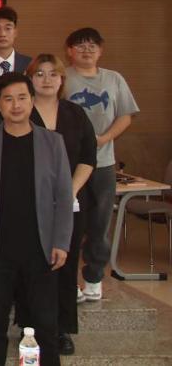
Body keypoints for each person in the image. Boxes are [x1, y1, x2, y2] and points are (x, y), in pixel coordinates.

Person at [0, 72, 73, 366]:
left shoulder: (52, 142)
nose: (16, 105)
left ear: (32, 100)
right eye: (8, 99)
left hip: (41, 248)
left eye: (22, 98)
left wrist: (61, 242)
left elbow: (64, 197)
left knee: (46, 325)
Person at [63, 27, 139, 303]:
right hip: (70, 163)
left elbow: (126, 115)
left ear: (100, 50)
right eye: (80, 45)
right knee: (69, 224)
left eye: (92, 45)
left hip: (104, 164)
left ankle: (94, 278)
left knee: (100, 223)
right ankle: (68, 281)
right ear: (69, 51)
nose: (86, 50)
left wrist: (104, 138)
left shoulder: (114, 79)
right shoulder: (62, 78)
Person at [28, 54, 96, 355]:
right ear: (30, 79)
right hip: (30, 202)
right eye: (39, 74)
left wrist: (69, 191)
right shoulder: (22, 112)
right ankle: (31, 325)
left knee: (65, 265)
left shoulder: (75, 113)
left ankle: (62, 328)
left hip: (71, 201)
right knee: (34, 266)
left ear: (61, 79)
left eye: (52, 74)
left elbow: (88, 157)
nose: (46, 79)